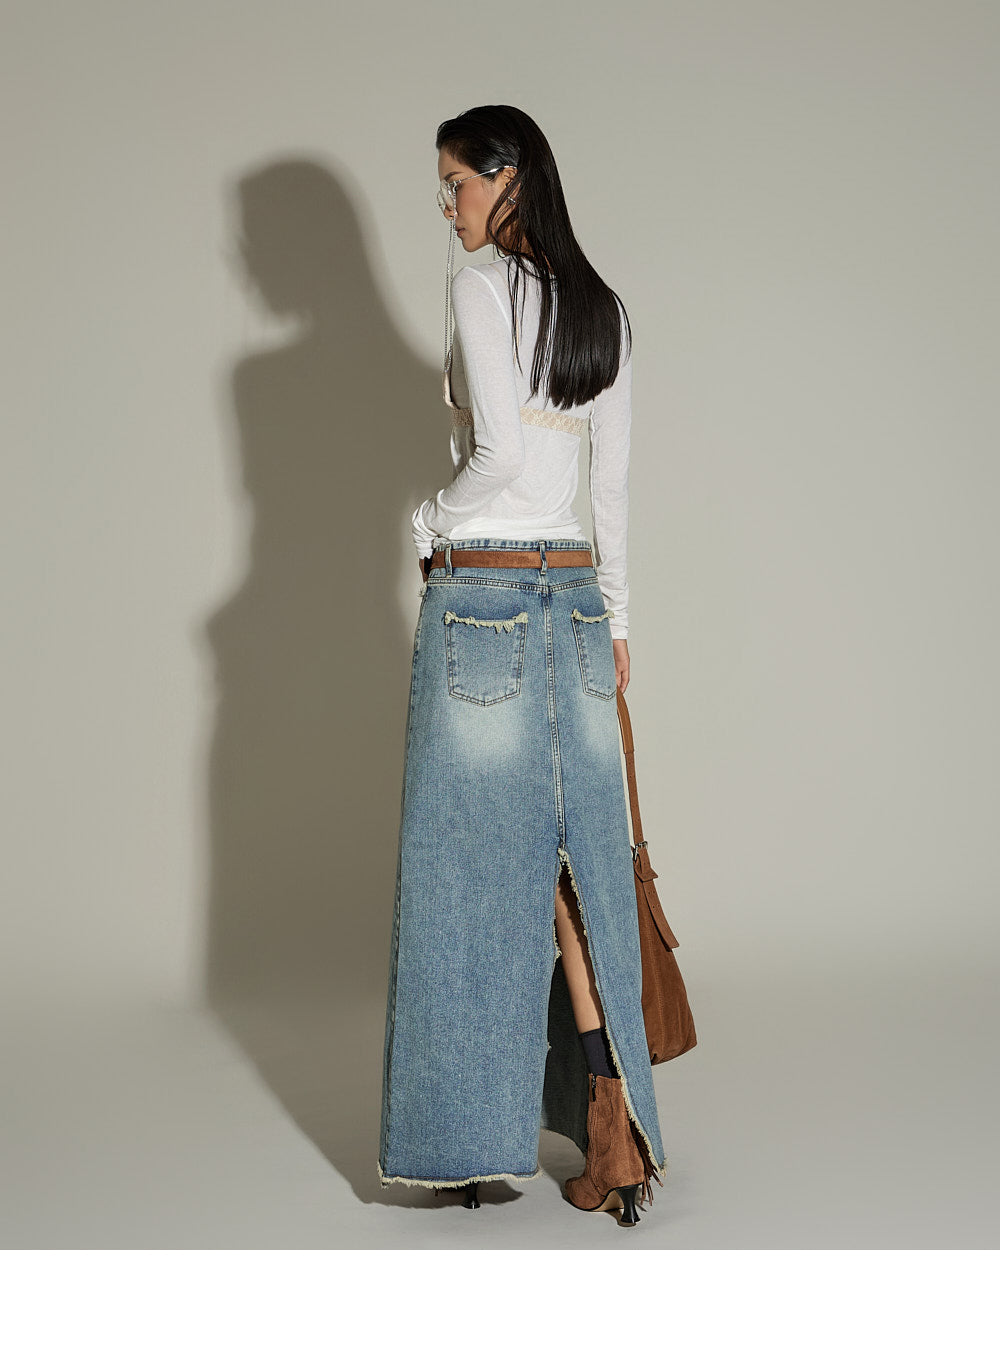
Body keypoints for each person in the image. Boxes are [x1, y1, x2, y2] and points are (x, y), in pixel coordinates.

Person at [378, 105, 666, 1228]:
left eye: (454, 183)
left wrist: (425, 522)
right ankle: (616, 1133)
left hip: (486, 596)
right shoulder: (603, 308)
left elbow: (496, 453)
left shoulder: (480, 286)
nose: (446, 205)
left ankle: (469, 1144)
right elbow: (610, 487)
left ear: (506, 179)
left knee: (466, 872)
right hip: (579, 600)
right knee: (576, 871)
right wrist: (617, 620)